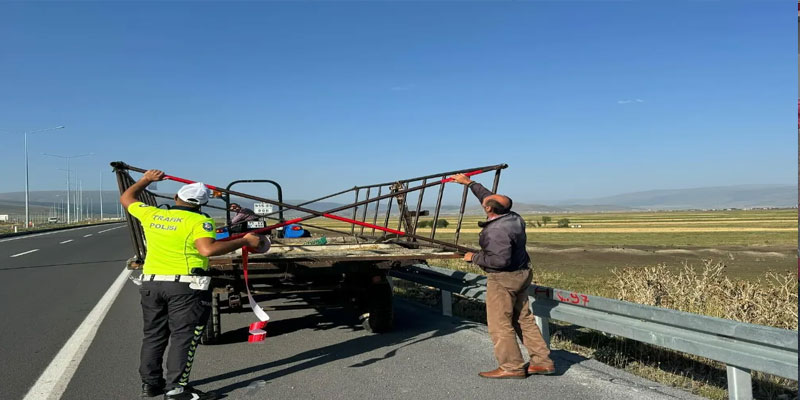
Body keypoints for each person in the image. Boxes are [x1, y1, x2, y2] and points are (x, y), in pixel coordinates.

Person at [121, 170, 266, 400]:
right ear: (202, 204)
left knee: (154, 335)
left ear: (177, 197)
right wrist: (245, 240)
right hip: (185, 287)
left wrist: (146, 180)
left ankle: (150, 385)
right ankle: (177, 390)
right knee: (183, 336)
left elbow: (126, 198)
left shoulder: (153, 215)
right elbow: (207, 250)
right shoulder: (200, 220)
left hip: (151, 284)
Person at [449, 173, 554, 379]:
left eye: (487, 202)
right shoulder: (513, 217)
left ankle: (511, 367)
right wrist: (469, 183)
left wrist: (474, 257)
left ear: (489, 209)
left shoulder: (495, 231)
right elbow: (489, 198)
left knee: (500, 323)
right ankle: (542, 362)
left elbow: (499, 261)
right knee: (524, 319)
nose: (485, 200)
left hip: (504, 278)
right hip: (522, 273)